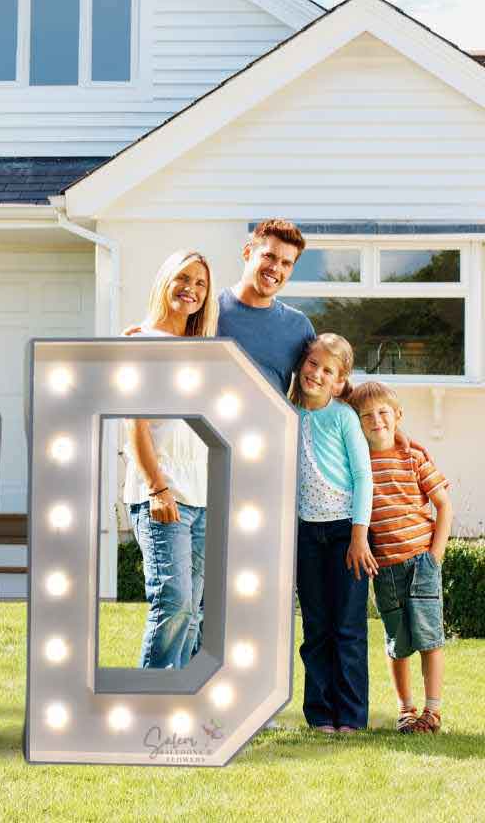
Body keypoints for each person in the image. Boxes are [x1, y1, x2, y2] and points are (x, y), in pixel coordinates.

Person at [121, 249, 217, 669]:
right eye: (183, 278)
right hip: (160, 493)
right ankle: (149, 707)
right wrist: (157, 488)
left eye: (200, 284)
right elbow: (134, 424)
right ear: (165, 281)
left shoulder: (204, 350)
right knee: (173, 603)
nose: (191, 290)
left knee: (193, 614)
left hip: (202, 496)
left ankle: (176, 715)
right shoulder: (141, 342)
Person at [349, 381, 453, 734]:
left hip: (420, 561)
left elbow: (443, 506)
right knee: (397, 642)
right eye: (367, 416)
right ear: (357, 423)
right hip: (385, 568)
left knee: (429, 637)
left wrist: (434, 557)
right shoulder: (358, 461)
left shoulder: (413, 456)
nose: (376, 421)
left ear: (398, 416)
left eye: (383, 413)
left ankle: (432, 711)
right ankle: (406, 709)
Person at [290, 333, 376, 733]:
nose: (317, 374)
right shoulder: (287, 413)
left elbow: (363, 475)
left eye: (328, 370)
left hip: (347, 534)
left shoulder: (342, 416)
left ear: (340, 380)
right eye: (313, 364)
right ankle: (321, 715)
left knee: (347, 628)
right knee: (316, 627)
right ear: (301, 364)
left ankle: (352, 717)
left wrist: (360, 535)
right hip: (307, 536)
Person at [216, 218, 315, 394]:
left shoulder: (299, 327)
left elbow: (319, 391)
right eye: (269, 256)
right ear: (247, 253)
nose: (276, 268)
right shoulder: (208, 310)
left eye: (286, 263)